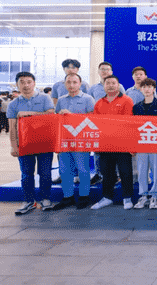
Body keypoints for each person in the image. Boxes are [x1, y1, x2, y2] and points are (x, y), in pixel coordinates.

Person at [7, 72, 56, 215]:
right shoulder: (13, 104)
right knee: (26, 174)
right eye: (22, 82)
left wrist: (28, 113)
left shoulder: (45, 98)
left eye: (29, 82)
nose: (26, 85)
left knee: (45, 173)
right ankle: (29, 201)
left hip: (44, 143)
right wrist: (13, 146)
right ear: (17, 85)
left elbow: (51, 115)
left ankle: (45, 199)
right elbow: (12, 127)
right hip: (24, 145)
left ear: (34, 83)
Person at [91, 75, 135, 210]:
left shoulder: (126, 100)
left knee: (125, 172)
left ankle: (127, 198)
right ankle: (107, 197)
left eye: (113, 83)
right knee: (107, 173)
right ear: (104, 86)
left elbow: (127, 122)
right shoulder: (99, 103)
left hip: (123, 143)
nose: (110, 85)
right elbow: (96, 124)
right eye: (108, 83)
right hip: (105, 144)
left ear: (118, 85)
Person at [52, 73, 95, 211]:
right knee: (65, 170)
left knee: (83, 169)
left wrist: (72, 116)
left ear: (80, 84)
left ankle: (84, 196)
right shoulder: (61, 100)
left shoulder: (88, 99)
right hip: (65, 140)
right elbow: (57, 120)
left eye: (74, 82)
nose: (71, 85)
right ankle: (68, 196)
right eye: (68, 82)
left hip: (81, 140)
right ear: (65, 84)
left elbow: (93, 119)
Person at [132, 78, 157, 209]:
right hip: (141, 144)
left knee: (156, 170)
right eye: (144, 87)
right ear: (141, 89)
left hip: (156, 143)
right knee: (142, 171)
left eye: (149, 87)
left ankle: (155, 196)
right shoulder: (136, 107)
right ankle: (143, 195)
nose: (147, 89)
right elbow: (133, 128)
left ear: (154, 89)